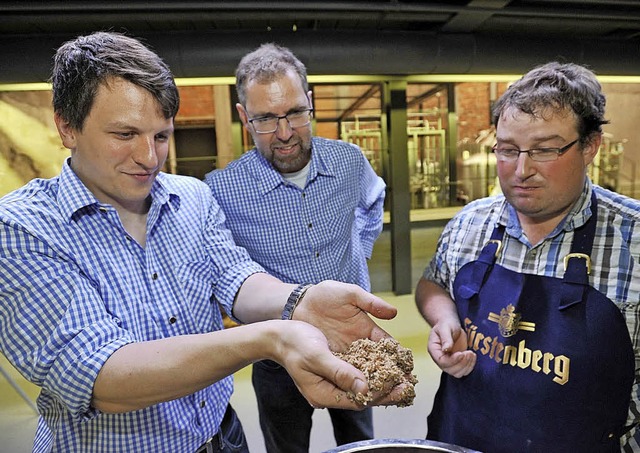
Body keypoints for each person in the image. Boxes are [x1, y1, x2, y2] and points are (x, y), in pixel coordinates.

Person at [0, 31, 406, 453]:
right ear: (67, 126)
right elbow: (103, 377)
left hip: (221, 437)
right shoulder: (23, 228)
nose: (149, 158)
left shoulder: (191, 197)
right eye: (125, 135)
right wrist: (272, 337)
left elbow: (234, 276)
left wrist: (301, 300)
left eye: (161, 136)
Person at [415, 62, 640, 452]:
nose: (522, 170)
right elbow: (432, 283)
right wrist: (445, 318)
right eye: (507, 149)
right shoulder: (469, 224)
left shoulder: (633, 240)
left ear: (590, 146)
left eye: (544, 149)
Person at [205, 43, 386, 452]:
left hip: (353, 342)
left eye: (294, 114)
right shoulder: (221, 190)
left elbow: (373, 202)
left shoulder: (349, 161)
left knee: (360, 443)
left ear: (311, 102)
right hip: (276, 358)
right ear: (242, 118)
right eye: (266, 119)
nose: (284, 133)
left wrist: (359, 252)